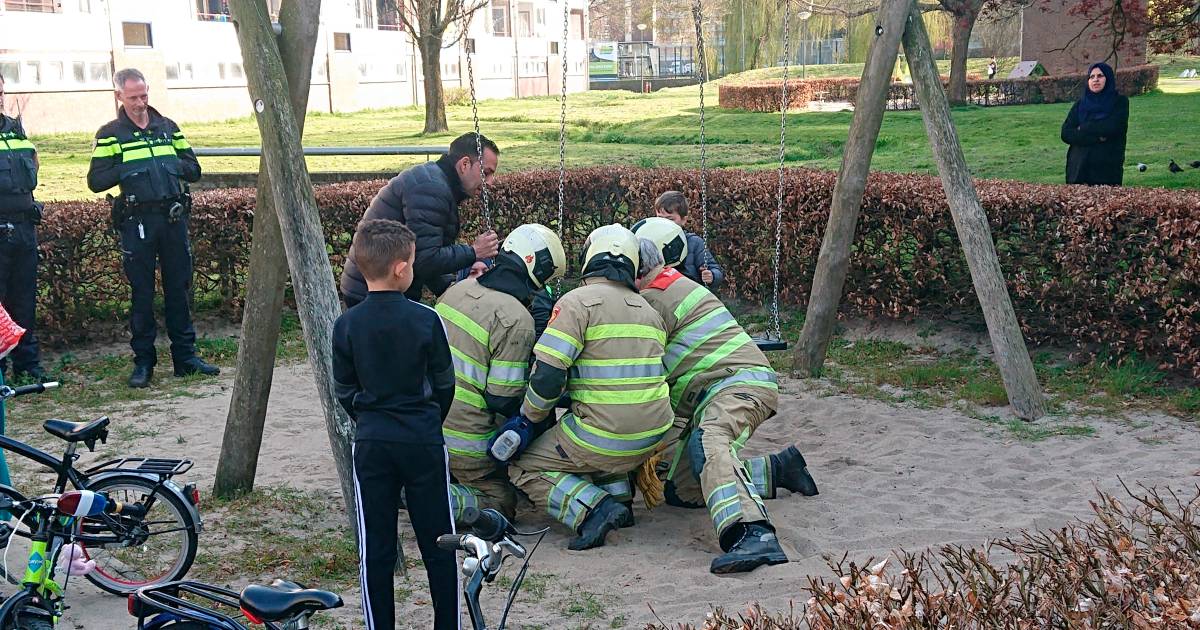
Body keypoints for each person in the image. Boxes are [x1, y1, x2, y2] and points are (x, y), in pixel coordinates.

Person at [632, 218, 818, 574]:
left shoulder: (652, 299)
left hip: (737, 384)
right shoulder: (666, 283)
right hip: (725, 387)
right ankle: (779, 470)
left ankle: (753, 533)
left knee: (709, 440)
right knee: (682, 489)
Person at [498, 224, 674, 550]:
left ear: (590, 257)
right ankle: (619, 500)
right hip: (653, 434)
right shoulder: (649, 311)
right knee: (596, 423)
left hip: (605, 437)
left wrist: (528, 418)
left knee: (523, 467)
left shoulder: (576, 303)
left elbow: (548, 376)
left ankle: (593, 511)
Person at [332, 219, 459, 630]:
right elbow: (445, 384)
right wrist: (428, 420)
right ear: (402, 269)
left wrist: (369, 419)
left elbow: (344, 389)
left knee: (376, 548)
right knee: (440, 542)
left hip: (372, 442)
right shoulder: (427, 319)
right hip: (422, 439)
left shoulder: (346, 324)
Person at [87, 68, 216, 389]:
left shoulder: (167, 127)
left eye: (143, 95)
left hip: (172, 219)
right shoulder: (110, 134)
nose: (140, 103)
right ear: (119, 96)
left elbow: (194, 169)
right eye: (133, 97)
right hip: (138, 223)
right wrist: (131, 168)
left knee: (179, 290)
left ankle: (185, 359)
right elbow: (96, 180)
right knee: (142, 295)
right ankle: (144, 362)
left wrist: (171, 165)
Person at [436, 224, 567, 522]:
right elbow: (502, 398)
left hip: (430, 429)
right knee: (501, 500)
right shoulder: (516, 319)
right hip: (467, 445)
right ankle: (433, 499)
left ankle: (427, 483)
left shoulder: (455, 291)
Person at [341, 133, 502, 307]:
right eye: (486, 173)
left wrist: (450, 288)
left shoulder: (437, 182)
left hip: (376, 288)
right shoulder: (431, 188)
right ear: (464, 164)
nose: (490, 182)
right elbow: (426, 259)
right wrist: (474, 252)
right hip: (373, 293)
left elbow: (426, 253)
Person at [0, 72, 46, 382]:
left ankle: (28, 365)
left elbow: (33, 168)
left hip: (23, 229)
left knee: (24, 301)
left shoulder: (16, 130)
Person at [1061, 62, 1129, 186]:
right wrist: (1097, 138)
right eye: (1092, 77)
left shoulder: (1119, 102)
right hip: (1078, 169)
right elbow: (1066, 133)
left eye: (1100, 76)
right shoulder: (1080, 105)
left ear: (1108, 78)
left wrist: (1083, 127)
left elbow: (1112, 128)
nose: (1095, 80)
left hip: (1106, 170)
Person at [653, 191, 724, 291]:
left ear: (684, 220)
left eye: (670, 219)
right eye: (660, 218)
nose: (664, 223)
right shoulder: (651, 242)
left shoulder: (694, 243)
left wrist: (712, 275)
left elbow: (714, 268)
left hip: (689, 291)